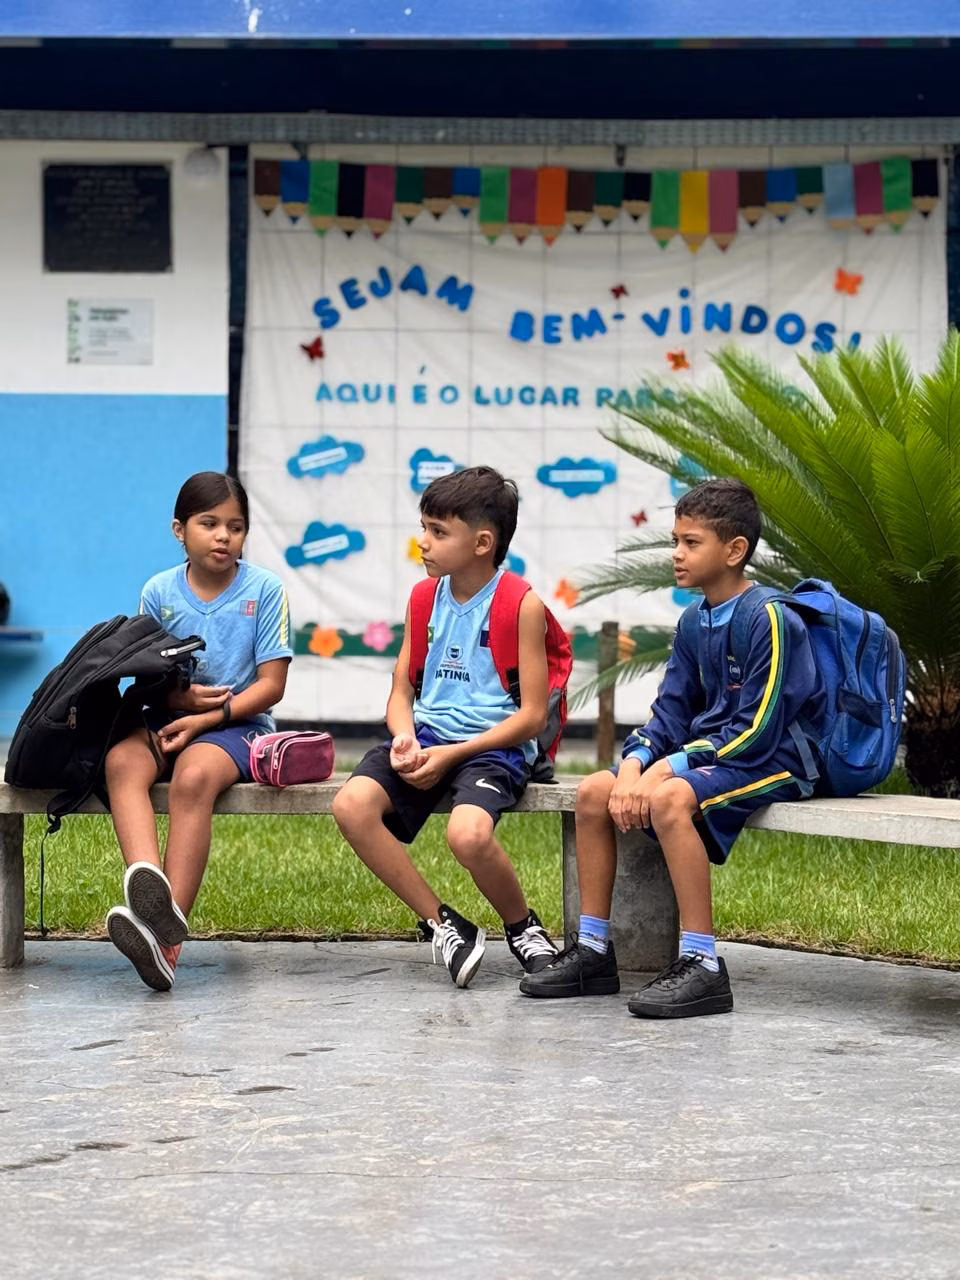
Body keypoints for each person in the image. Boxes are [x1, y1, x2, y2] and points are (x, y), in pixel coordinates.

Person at [519, 476, 824, 1017]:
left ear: (734, 550)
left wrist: (668, 770)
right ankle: (594, 951)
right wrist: (636, 763)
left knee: (669, 798)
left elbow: (757, 730)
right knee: (593, 792)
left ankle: (703, 962)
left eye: (691, 542)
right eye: (675, 541)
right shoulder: (694, 620)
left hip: (777, 760)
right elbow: (671, 714)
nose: (676, 554)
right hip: (717, 755)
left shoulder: (771, 618)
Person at [333, 466, 559, 988]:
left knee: (467, 835)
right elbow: (401, 691)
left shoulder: (521, 604)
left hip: (492, 749)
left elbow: (532, 717)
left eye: (438, 532)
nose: (424, 542)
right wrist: (405, 736)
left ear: (482, 543)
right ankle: (444, 924)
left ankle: (523, 928)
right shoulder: (423, 598)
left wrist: (453, 755)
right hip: (428, 738)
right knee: (350, 806)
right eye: (424, 528)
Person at [104, 471, 292, 992]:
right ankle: (149, 888)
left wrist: (207, 717)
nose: (223, 536)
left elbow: (271, 686)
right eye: (209, 524)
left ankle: (166, 941)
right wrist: (177, 701)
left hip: (237, 726)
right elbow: (145, 675)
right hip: (166, 718)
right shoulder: (158, 591)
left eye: (236, 526)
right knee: (121, 762)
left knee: (192, 777)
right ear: (179, 530)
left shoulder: (265, 590)